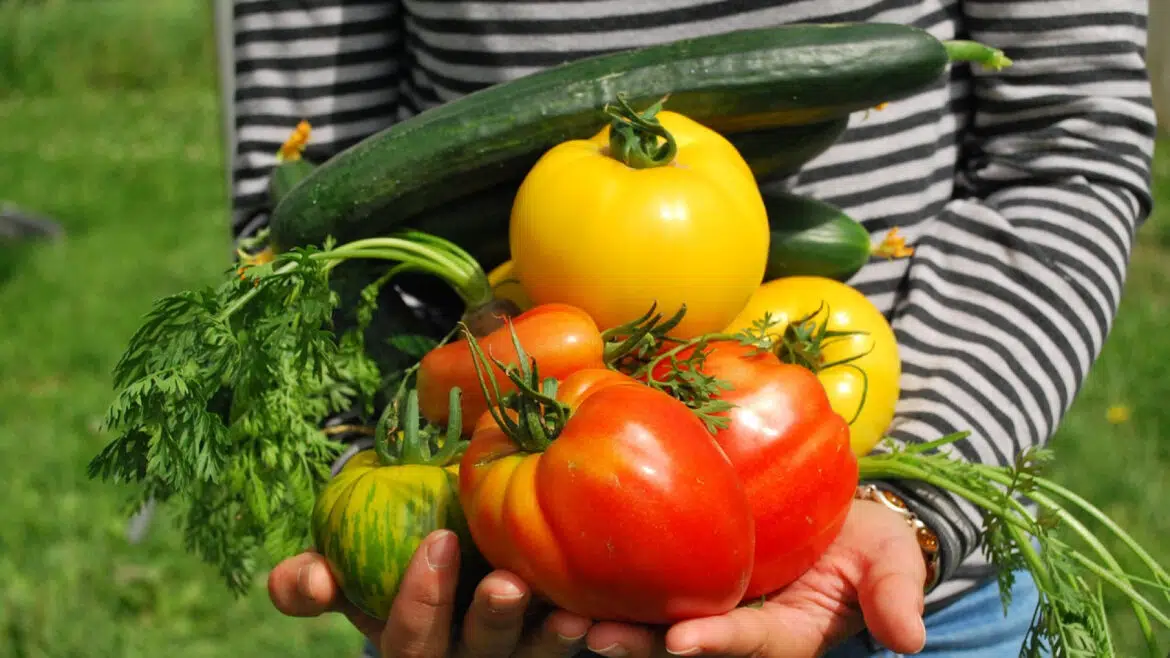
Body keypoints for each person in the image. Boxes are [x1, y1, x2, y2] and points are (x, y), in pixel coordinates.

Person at [223, 1, 1157, 656]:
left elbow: (1069, 146)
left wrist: (913, 504)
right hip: (491, 569)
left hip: (911, 593)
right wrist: (374, 479)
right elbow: (302, 218)